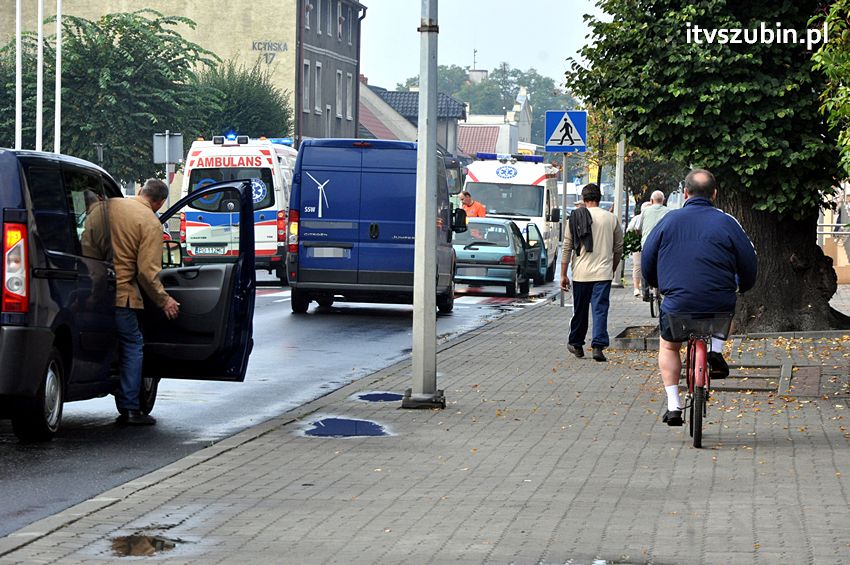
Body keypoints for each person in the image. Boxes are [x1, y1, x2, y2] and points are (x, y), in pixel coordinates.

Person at [641, 169, 757, 427]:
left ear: (685, 193)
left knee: (670, 346)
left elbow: (648, 257)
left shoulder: (669, 221)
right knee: (727, 311)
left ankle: (673, 405)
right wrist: (745, 285)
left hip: (677, 303)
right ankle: (716, 351)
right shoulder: (728, 222)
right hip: (719, 302)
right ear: (714, 194)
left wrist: (655, 284)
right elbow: (749, 259)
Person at [108, 179, 180, 425]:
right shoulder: (150, 222)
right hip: (122, 295)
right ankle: (130, 407)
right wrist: (165, 300)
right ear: (159, 202)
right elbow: (147, 273)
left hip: (91, 291)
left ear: (140, 191)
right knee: (132, 344)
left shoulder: (108, 206)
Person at [560, 183, 624, 362]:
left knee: (580, 310)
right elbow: (619, 247)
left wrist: (563, 274)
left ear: (583, 198)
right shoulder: (611, 218)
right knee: (600, 309)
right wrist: (612, 267)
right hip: (603, 273)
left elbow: (567, 247)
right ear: (600, 198)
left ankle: (576, 343)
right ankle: (598, 346)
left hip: (581, 273)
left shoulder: (574, 218)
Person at [627, 201, 652, 297]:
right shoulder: (636, 218)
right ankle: (636, 288)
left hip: (649, 244)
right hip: (637, 244)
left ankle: (649, 286)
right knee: (637, 265)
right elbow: (629, 230)